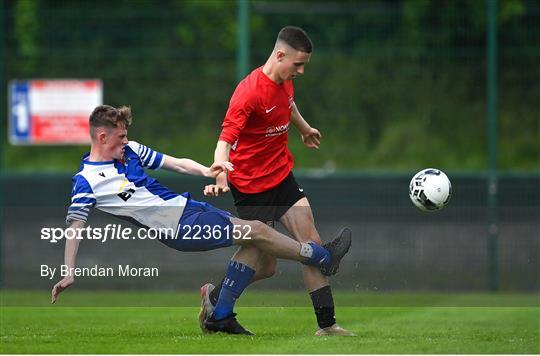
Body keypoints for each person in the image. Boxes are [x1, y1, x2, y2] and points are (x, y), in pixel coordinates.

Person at [50, 104, 352, 336]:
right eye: (120, 136)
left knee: (261, 252)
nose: (126, 140)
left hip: (189, 207)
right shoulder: (86, 181)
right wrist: (68, 272)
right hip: (176, 227)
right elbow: (75, 226)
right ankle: (323, 257)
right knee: (258, 230)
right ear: (102, 137)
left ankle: (219, 311)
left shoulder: (130, 151)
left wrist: (208, 170)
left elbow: (176, 163)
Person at [202, 26, 355, 336]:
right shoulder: (248, 92)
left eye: (304, 65)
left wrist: (303, 127)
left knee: (308, 240)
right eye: (298, 64)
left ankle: (327, 326)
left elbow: (287, 105)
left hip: (281, 175)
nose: (301, 71)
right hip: (252, 185)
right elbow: (225, 139)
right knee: (266, 266)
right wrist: (221, 172)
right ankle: (217, 300)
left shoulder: (285, 81)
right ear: (280, 54)